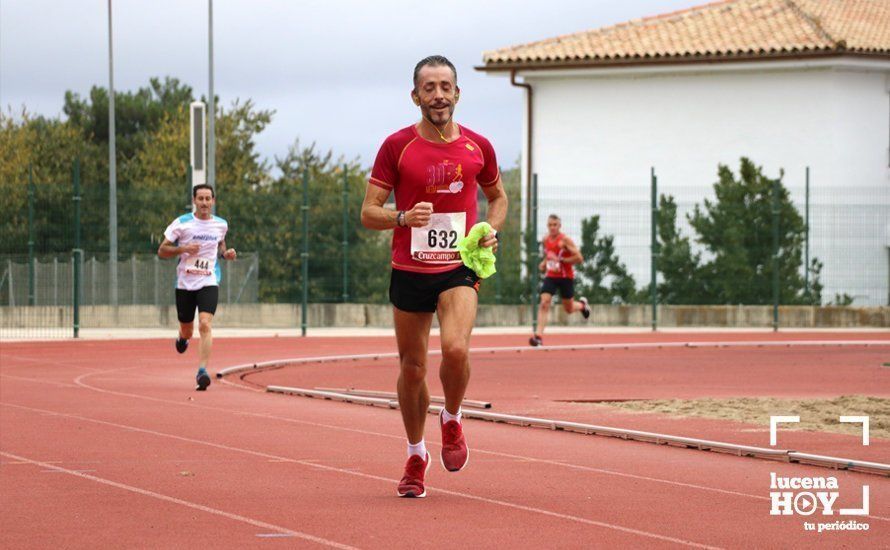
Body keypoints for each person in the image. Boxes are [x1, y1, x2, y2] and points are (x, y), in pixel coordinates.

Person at [360, 55, 507, 498]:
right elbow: (368, 213)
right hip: (410, 268)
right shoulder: (396, 146)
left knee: (456, 350)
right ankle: (415, 453)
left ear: (458, 93)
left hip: (459, 267)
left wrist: (490, 231)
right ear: (416, 96)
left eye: (446, 86)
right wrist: (402, 217)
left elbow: (498, 198)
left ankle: (453, 417)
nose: (438, 94)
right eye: (430, 87)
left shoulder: (478, 146)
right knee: (413, 368)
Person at [158, 184, 236, 390]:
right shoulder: (182, 223)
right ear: (194, 201)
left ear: (213, 201)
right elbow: (162, 250)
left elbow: (220, 246)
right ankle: (182, 338)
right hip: (185, 283)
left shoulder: (221, 225)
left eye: (207, 199)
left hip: (209, 280)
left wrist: (226, 254)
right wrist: (183, 248)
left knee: (205, 324)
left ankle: (202, 371)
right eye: (200, 198)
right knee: (188, 330)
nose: (204, 203)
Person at [529, 214, 589, 347]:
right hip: (551, 276)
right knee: (544, 303)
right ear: (547, 226)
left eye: (555, 225)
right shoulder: (545, 240)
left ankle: (582, 306)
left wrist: (561, 260)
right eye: (550, 225)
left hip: (566, 277)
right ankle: (538, 336)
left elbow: (579, 258)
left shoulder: (565, 240)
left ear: (559, 226)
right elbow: (550, 254)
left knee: (569, 308)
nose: (552, 227)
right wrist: (544, 263)